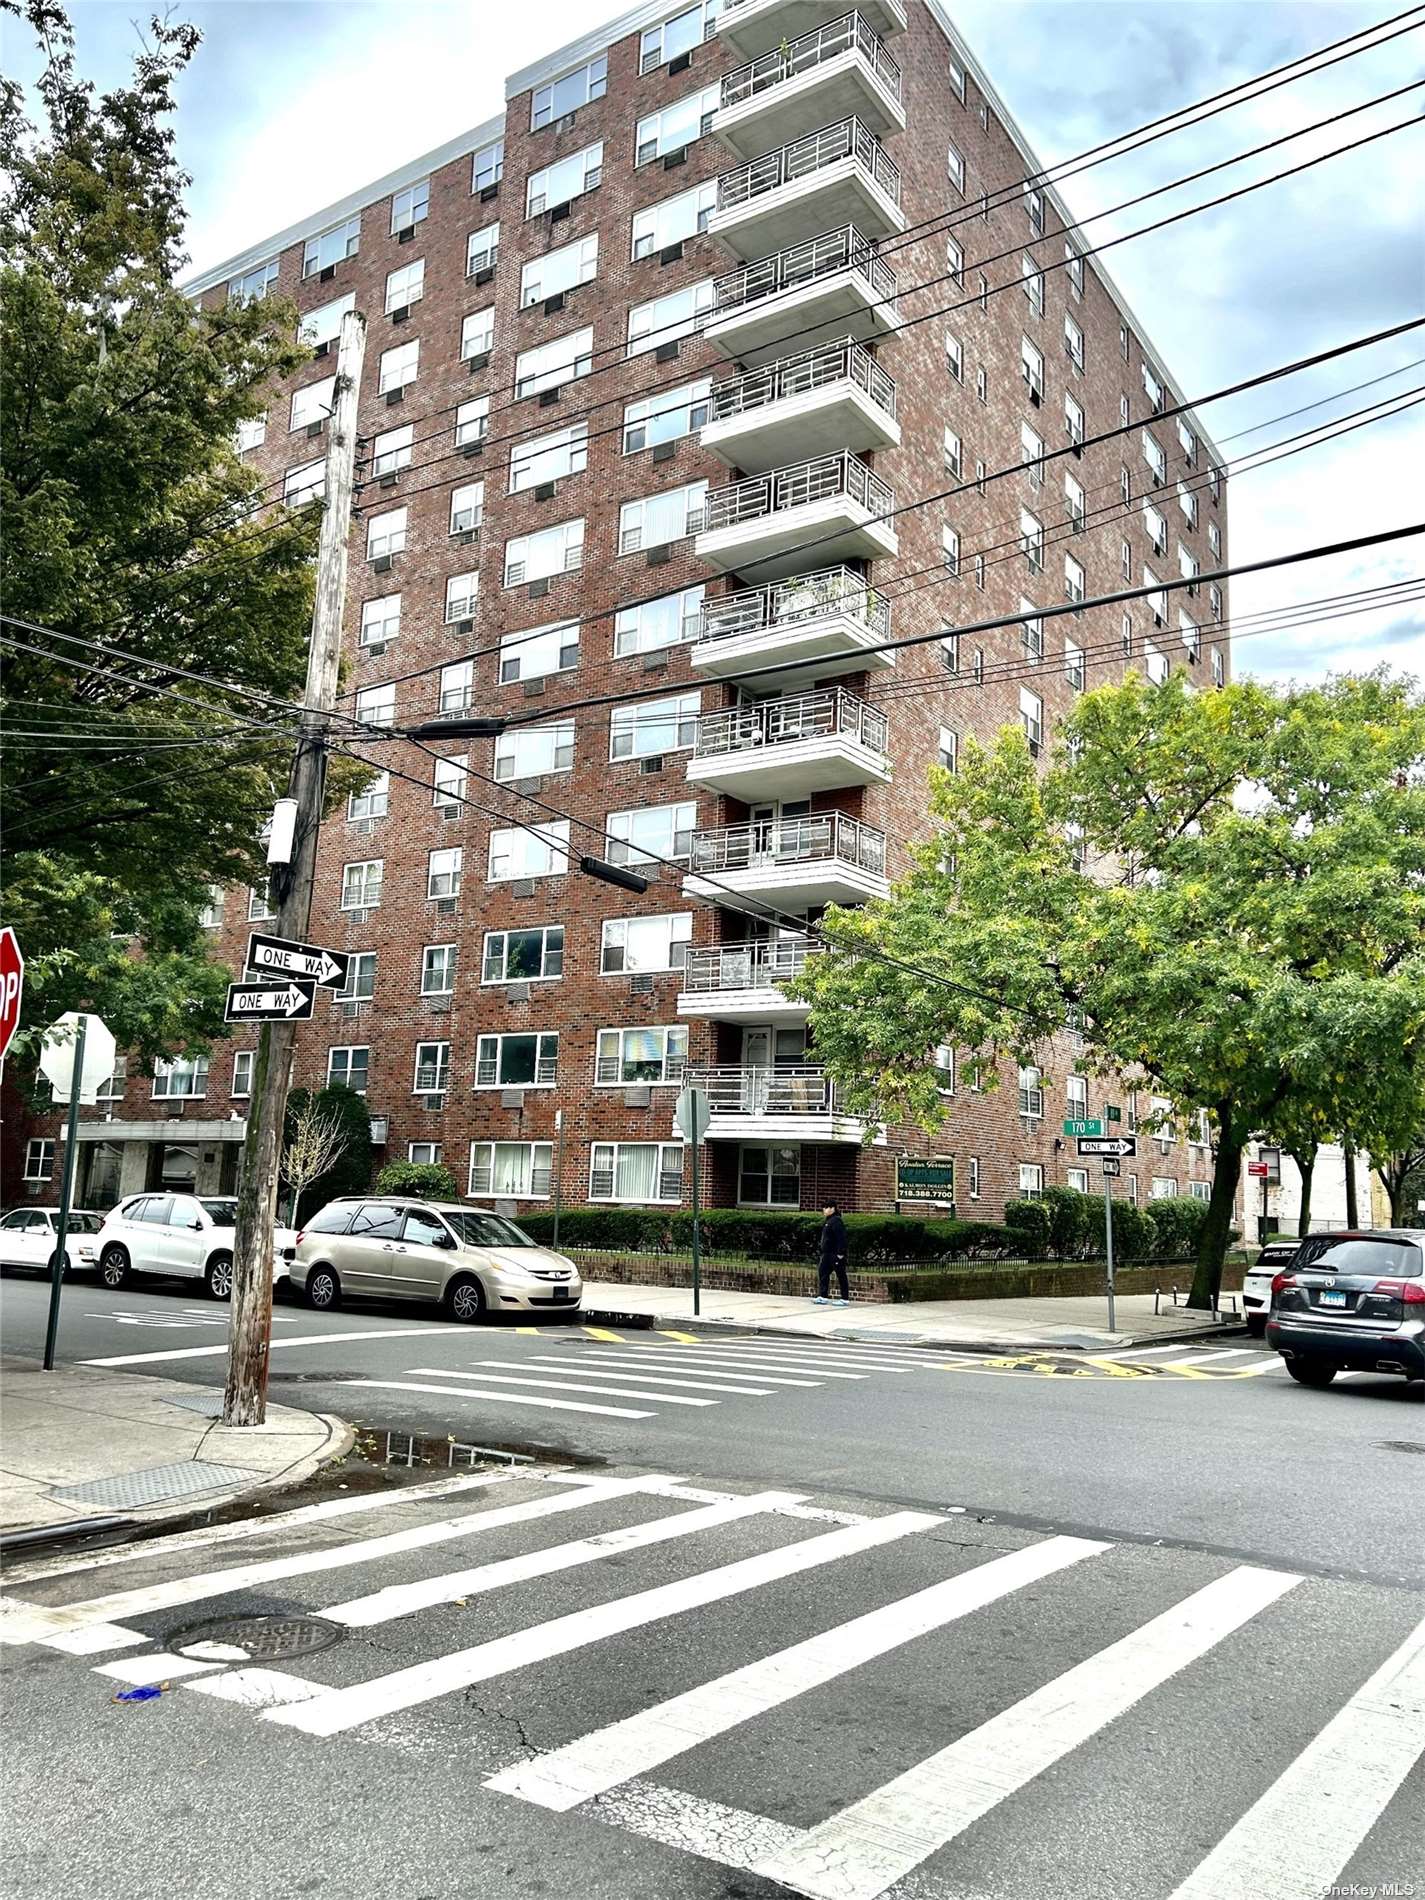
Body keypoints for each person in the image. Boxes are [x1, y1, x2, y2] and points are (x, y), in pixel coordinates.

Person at [815, 1201, 849, 1307]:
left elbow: (841, 1238)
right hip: (827, 1253)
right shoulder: (828, 1221)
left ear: (832, 1209)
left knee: (841, 1274)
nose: (824, 1210)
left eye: (826, 1208)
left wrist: (840, 1253)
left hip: (835, 1254)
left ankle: (844, 1298)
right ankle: (823, 1296)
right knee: (823, 1272)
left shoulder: (836, 1221)